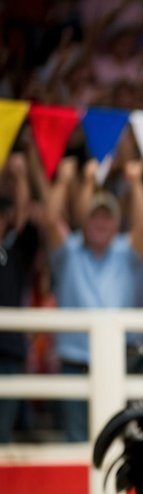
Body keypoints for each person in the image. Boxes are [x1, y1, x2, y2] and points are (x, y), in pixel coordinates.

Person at [39, 158, 143, 442]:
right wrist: (64, 181)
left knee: (119, 440)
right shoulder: (70, 251)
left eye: (107, 217)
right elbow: (50, 220)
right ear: (84, 220)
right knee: (76, 441)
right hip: (73, 362)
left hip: (120, 359)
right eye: (95, 216)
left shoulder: (125, 253)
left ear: (116, 223)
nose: (100, 222)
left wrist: (136, 183)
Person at [0, 154, 40, 442]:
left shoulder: (13, 248)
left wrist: (22, 174)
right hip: (11, 348)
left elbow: (24, 215)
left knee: (2, 430)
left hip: (10, 349)